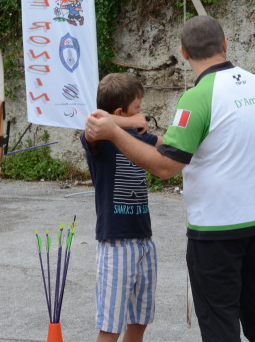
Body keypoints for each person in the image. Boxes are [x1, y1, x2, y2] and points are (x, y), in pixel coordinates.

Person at [85, 15, 255, 342]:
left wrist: (113, 132)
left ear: (183, 52)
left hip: (218, 232)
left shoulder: (197, 97)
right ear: (224, 44)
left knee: (219, 322)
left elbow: (166, 167)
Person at [80, 74, 163, 342]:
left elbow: (171, 146)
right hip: (115, 244)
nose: (143, 115)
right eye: (138, 108)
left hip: (143, 240)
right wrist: (130, 121)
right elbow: (92, 121)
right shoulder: (101, 139)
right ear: (119, 112)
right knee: (111, 326)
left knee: (138, 322)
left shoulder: (139, 137)